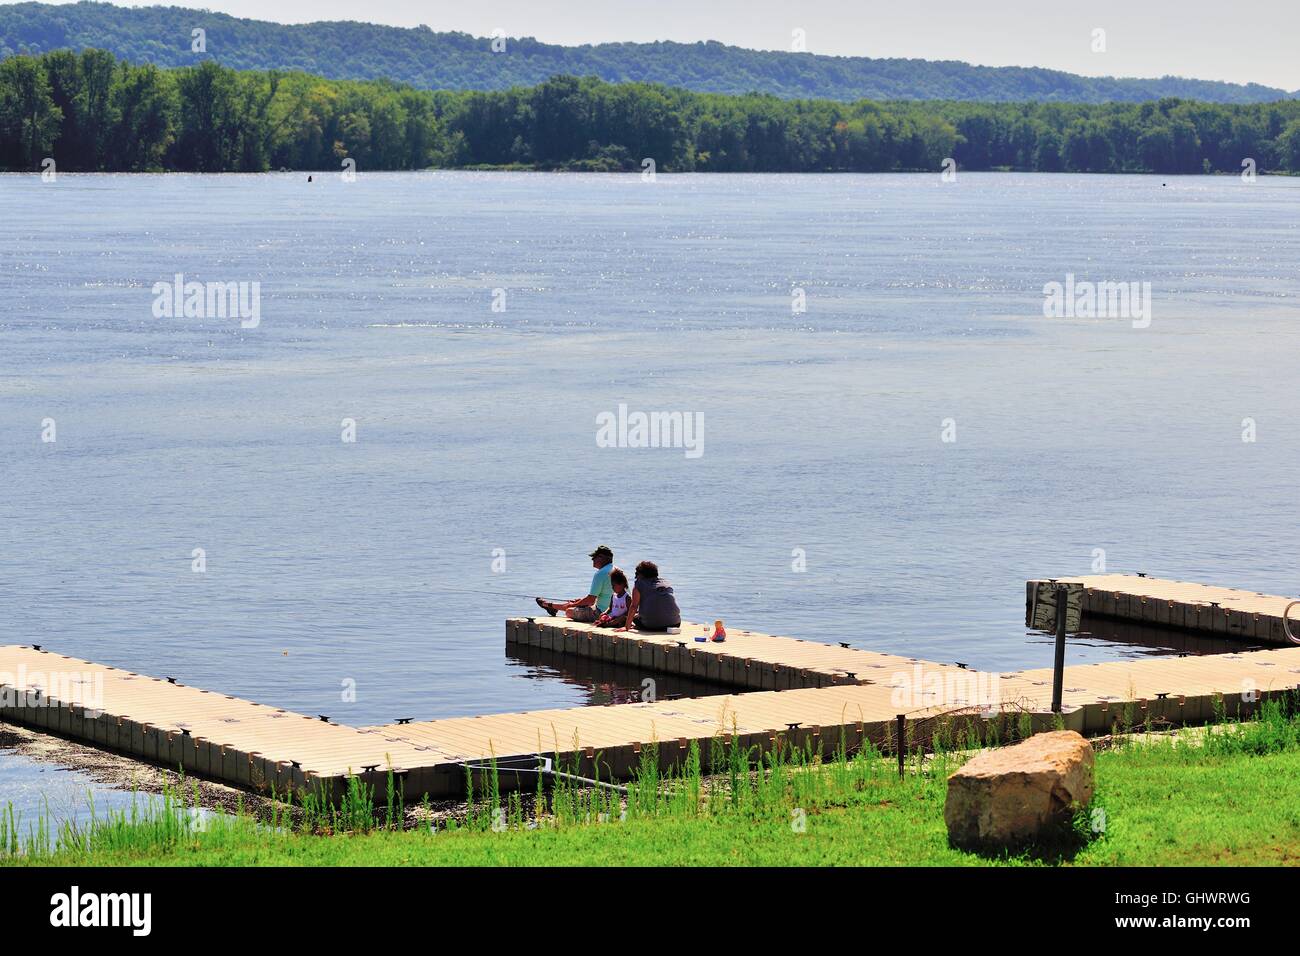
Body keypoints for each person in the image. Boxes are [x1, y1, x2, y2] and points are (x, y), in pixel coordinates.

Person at [535, 546, 614, 623]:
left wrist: (574, 604)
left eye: (594, 557)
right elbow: (606, 595)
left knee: (569, 611)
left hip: (602, 613)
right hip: (617, 611)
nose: (592, 559)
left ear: (601, 557)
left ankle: (548, 605)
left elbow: (590, 599)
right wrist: (579, 602)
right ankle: (550, 606)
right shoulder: (617, 570)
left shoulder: (600, 573)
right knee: (579, 603)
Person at [619, 560, 681, 632]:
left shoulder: (639, 584)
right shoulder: (665, 582)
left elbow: (634, 606)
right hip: (675, 623)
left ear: (640, 575)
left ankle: (638, 626)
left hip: (652, 626)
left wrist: (626, 627)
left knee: (635, 617)